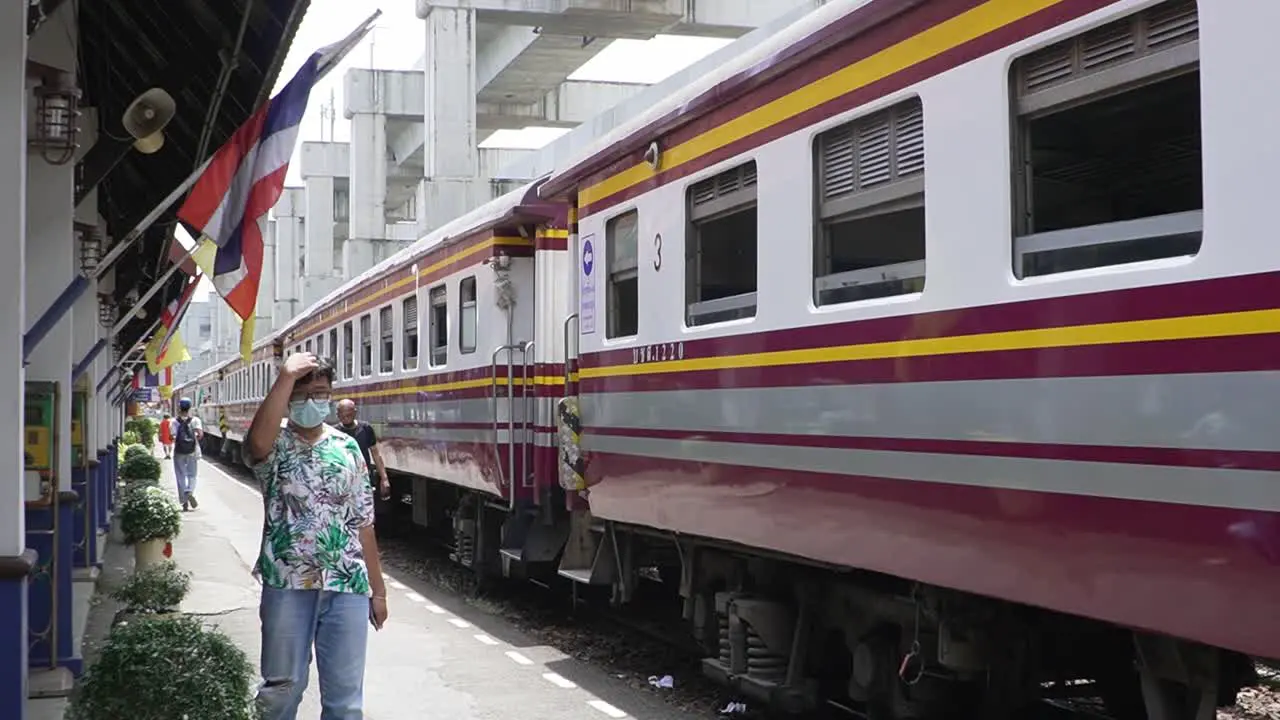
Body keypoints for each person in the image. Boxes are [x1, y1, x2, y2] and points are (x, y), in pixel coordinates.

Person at [243, 353, 388, 720]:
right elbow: (254, 446)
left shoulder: (347, 447)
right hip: (288, 583)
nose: (311, 401)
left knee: (345, 701)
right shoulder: (274, 446)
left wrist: (378, 590)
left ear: (331, 396)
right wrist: (285, 377)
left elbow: (363, 521)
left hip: (347, 585)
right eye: (300, 393)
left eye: (320, 392)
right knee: (282, 689)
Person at [335, 399, 391, 501]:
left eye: (349, 415)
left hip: (364, 479)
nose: (346, 418)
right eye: (342, 416)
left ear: (355, 412)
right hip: (343, 481)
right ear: (337, 415)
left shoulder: (366, 428)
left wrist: (384, 478)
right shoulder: (334, 433)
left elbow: (375, 454)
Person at [169, 399, 203, 511]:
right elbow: (200, 434)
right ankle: (189, 490)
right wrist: (193, 439)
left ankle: (184, 502)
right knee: (192, 475)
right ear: (190, 408)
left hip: (179, 451)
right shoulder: (195, 420)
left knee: (180, 475)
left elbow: (171, 437)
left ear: (179, 408)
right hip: (192, 451)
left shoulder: (174, 421)